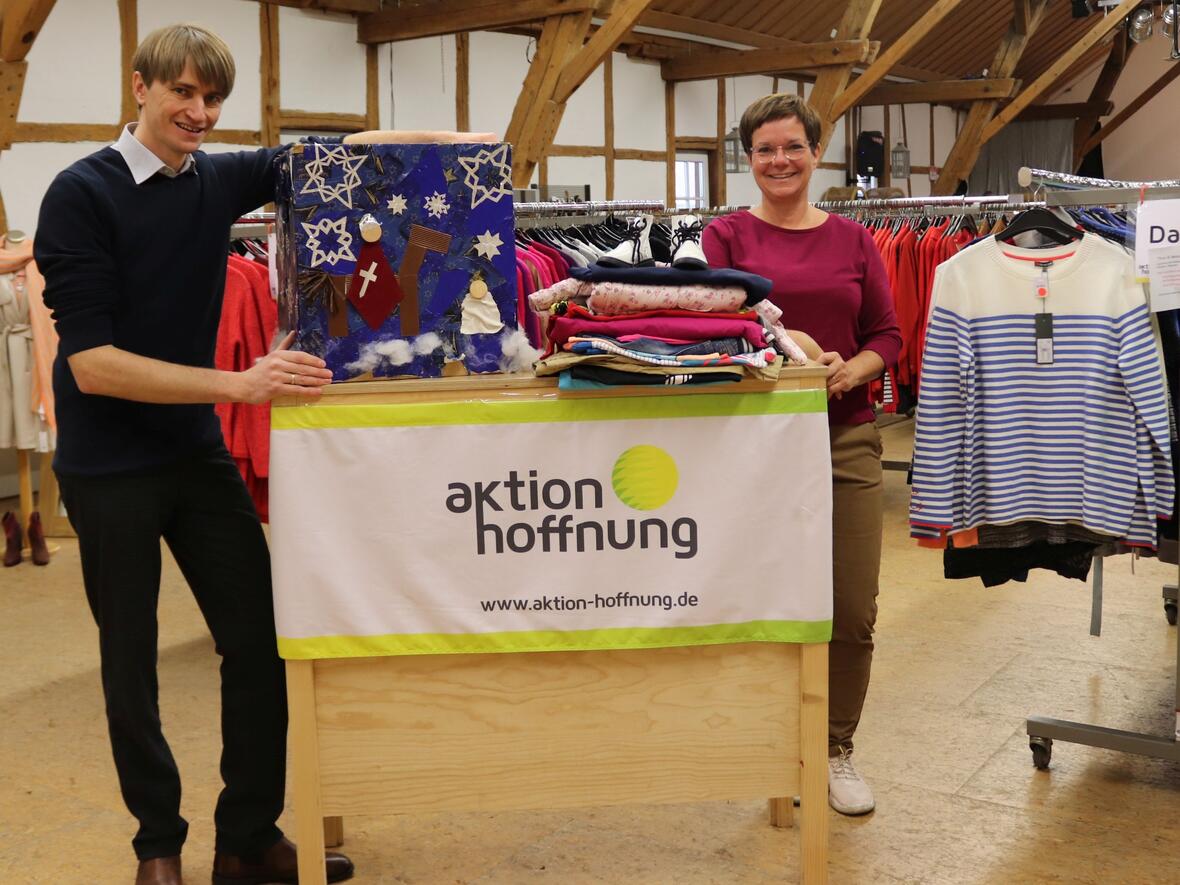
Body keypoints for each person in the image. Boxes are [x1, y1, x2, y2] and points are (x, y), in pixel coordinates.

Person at [34, 23, 494, 885]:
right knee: (129, 661)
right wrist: (239, 385)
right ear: (140, 87)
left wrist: (466, 149)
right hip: (107, 466)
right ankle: (157, 847)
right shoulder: (80, 193)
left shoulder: (216, 177)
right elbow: (92, 367)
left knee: (259, 639)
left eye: (212, 99)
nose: (199, 112)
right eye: (182, 93)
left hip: (194, 453)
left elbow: (351, 154)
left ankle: (246, 836)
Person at [702, 93, 901, 817]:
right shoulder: (723, 236)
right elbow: (725, 323)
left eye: (792, 147)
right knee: (763, 601)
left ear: (817, 153)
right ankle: (774, 742)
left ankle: (833, 746)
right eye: (764, 149)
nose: (779, 160)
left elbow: (889, 334)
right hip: (756, 447)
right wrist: (795, 356)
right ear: (747, 159)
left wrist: (854, 370)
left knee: (851, 605)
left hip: (844, 435)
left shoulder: (853, 240)